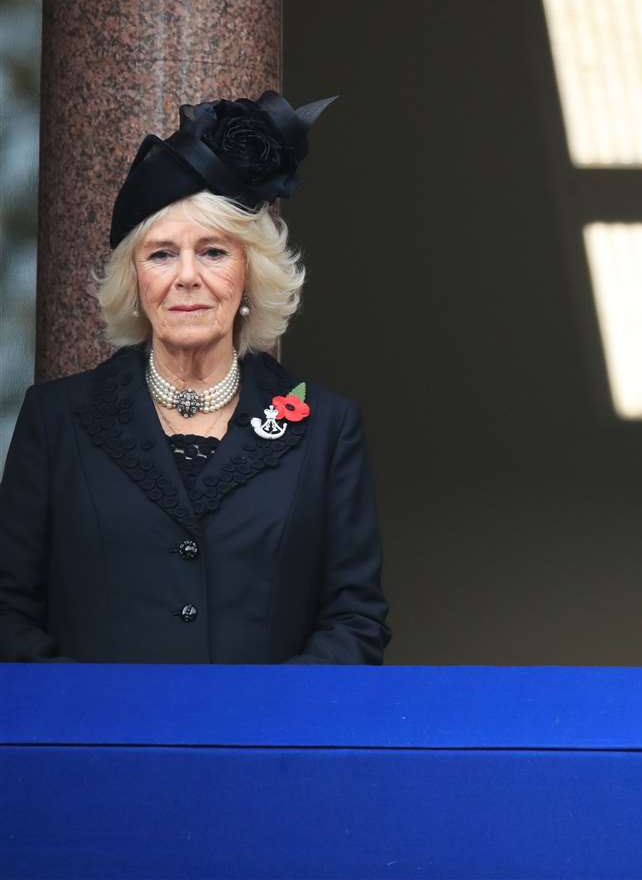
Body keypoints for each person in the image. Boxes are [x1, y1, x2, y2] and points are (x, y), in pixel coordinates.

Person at [0, 91, 389, 662]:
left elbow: (355, 619)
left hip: (262, 745)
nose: (187, 277)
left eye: (212, 252)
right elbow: (7, 609)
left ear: (249, 274)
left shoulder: (328, 429)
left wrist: (261, 722)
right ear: (135, 280)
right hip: (96, 744)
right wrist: (92, 718)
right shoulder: (56, 419)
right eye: (161, 255)